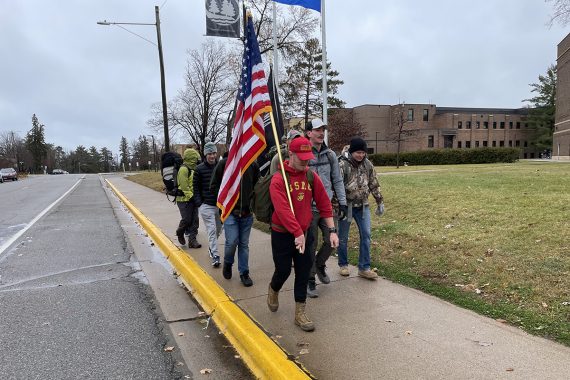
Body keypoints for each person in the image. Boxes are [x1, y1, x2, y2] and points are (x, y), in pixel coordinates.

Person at [267, 136, 338, 332]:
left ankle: (300, 312)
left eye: (308, 158)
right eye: (302, 158)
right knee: (283, 270)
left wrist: (331, 230)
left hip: (304, 233)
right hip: (282, 234)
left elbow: (324, 204)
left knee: (303, 271)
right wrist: (296, 232)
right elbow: (282, 210)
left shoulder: (310, 176)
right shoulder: (278, 179)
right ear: (290, 154)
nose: (306, 162)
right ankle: (273, 289)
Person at [304, 118, 348, 297]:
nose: (321, 133)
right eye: (317, 130)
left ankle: (319, 265)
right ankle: (310, 279)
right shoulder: (304, 153)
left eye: (323, 129)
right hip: (309, 208)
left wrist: (343, 202)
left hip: (327, 206)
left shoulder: (330, 155)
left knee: (333, 241)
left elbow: (337, 180)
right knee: (310, 244)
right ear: (309, 133)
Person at [337, 137, 384, 280]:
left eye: (363, 152)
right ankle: (343, 265)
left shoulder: (367, 165)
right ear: (351, 151)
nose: (361, 155)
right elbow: (337, 186)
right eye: (358, 152)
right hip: (346, 207)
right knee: (343, 237)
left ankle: (364, 267)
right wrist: (338, 205)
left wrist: (379, 201)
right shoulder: (342, 165)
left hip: (363, 206)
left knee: (366, 235)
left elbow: (373, 183)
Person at [210, 156, 259, 287]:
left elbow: (257, 185)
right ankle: (228, 262)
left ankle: (244, 272)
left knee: (244, 244)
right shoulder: (224, 164)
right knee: (232, 242)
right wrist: (224, 202)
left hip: (247, 213)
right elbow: (214, 186)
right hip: (230, 212)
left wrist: (252, 203)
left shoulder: (252, 164)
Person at [193, 142, 222, 267]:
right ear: (205, 155)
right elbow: (195, 187)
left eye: (214, 153)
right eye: (209, 153)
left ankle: (211, 247)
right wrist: (199, 204)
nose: (212, 156)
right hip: (206, 205)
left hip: (219, 205)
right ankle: (215, 255)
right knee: (212, 229)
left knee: (219, 229)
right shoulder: (199, 169)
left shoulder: (220, 166)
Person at [175, 148, 201, 249]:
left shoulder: (194, 168)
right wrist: (191, 196)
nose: (196, 159)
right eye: (195, 158)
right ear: (191, 158)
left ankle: (192, 241)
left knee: (195, 220)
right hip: (183, 200)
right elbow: (184, 186)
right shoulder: (183, 169)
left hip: (193, 199)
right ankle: (180, 232)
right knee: (187, 220)